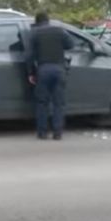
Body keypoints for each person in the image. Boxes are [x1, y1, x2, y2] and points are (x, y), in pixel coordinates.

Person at [28, 12, 73, 140]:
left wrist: (31, 72)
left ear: (37, 22)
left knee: (42, 102)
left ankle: (42, 133)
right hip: (59, 69)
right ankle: (57, 133)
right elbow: (71, 44)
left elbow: (29, 56)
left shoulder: (34, 33)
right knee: (58, 103)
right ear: (48, 21)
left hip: (43, 70)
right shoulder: (59, 31)